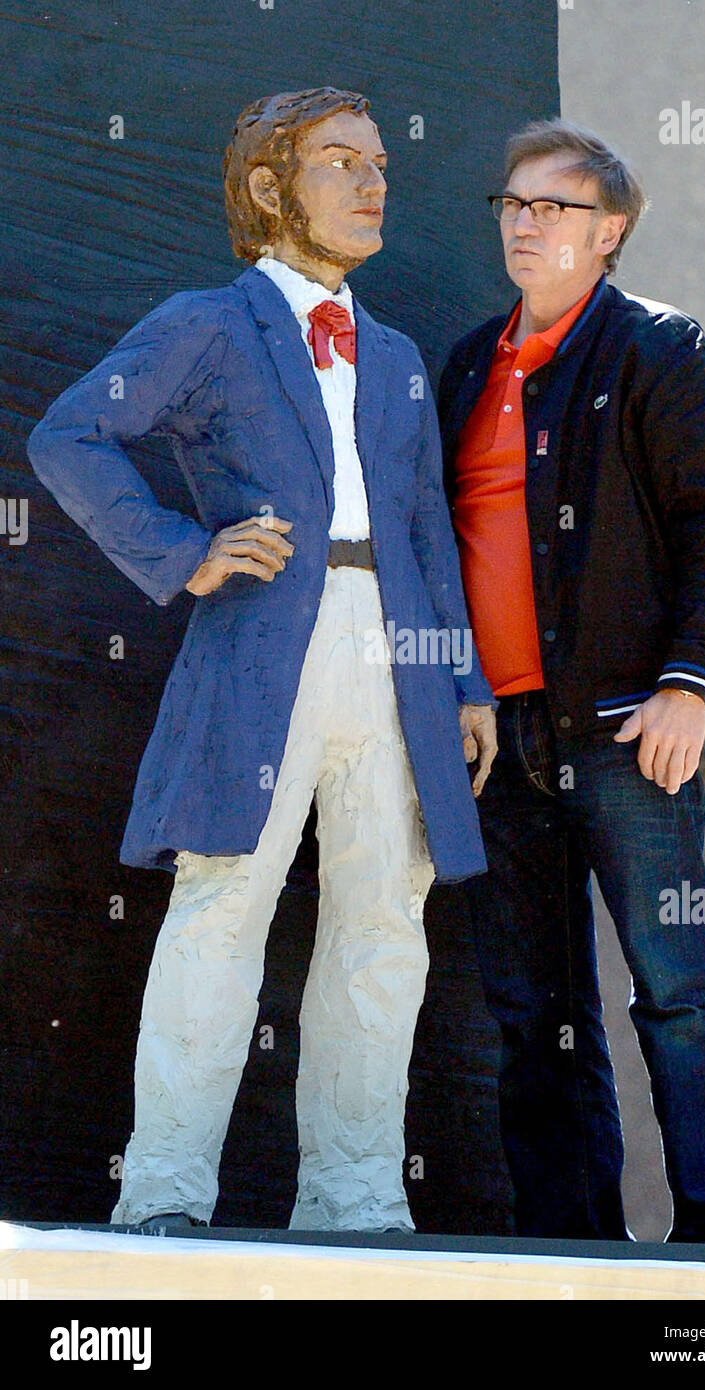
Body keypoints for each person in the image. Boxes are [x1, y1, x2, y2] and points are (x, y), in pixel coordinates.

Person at [27, 86, 497, 1235]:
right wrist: (185, 555)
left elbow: (428, 526)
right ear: (268, 188)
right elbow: (68, 434)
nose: (374, 180)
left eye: (380, 160)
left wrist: (465, 678)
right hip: (260, 649)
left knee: (387, 916)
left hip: (394, 655)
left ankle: (355, 1201)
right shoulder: (209, 321)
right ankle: (166, 1194)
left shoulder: (390, 357)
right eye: (341, 160)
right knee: (223, 903)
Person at [438, 116, 705, 1243]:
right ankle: (566, 1242)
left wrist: (689, 684)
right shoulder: (471, 362)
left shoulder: (659, 350)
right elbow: (444, 547)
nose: (525, 226)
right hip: (496, 741)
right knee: (534, 1012)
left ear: (608, 230)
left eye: (553, 208)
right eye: (511, 205)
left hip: (628, 730)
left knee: (675, 993)